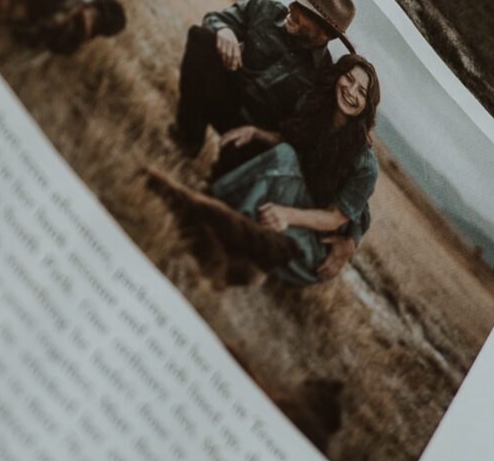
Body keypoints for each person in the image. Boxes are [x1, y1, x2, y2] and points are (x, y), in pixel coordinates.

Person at [149, 54, 381, 288]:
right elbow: (290, 141)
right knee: (284, 157)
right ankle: (228, 246)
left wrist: (287, 215)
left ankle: (201, 209)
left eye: (362, 91)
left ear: (368, 105)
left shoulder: (365, 163)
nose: (351, 91)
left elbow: (335, 217)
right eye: (349, 79)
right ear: (337, 76)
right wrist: (255, 132)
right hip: (289, 206)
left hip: (313, 239)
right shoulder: (317, 109)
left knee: (268, 228)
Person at [171, 0, 353, 159]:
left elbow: (296, 135)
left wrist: (258, 134)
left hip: (255, 136)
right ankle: (187, 139)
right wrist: (224, 30)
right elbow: (214, 20)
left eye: (305, 10)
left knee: (233, 172)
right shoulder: (263, 8)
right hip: (223, 96)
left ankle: (228, 171)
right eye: (296, 0)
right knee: (202, 39)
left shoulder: (323, 78)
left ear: (325, 34)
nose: (292, 7)